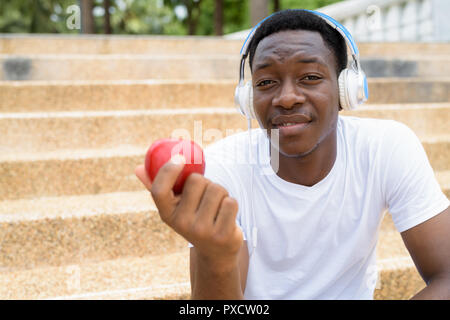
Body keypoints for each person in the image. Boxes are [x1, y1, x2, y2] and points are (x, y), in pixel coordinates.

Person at [135, 9, 450, 299]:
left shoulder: (387, 147)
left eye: (310, 77)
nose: (286, 98)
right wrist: (216, 257)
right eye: (267, 81)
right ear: (248, 98)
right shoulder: (223, 169)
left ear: (346, 91)